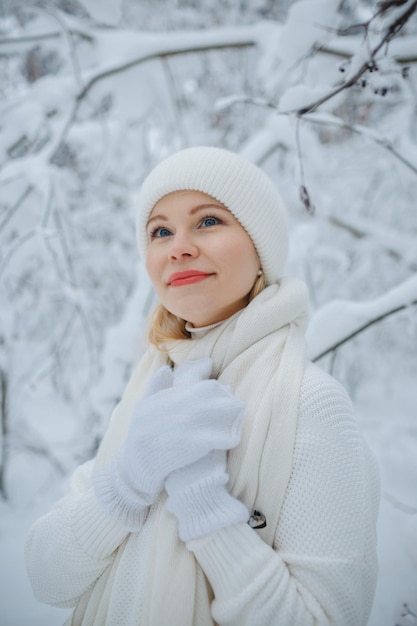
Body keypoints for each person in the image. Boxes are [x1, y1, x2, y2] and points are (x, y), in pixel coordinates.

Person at [25, 147, 379, 626]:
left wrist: (208, 511)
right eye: (161, 231)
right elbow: (47, 578)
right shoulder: (153, 390)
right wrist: (127, 482)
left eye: (208, 221)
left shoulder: (308, 403)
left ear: (260, 249)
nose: (179, 247)